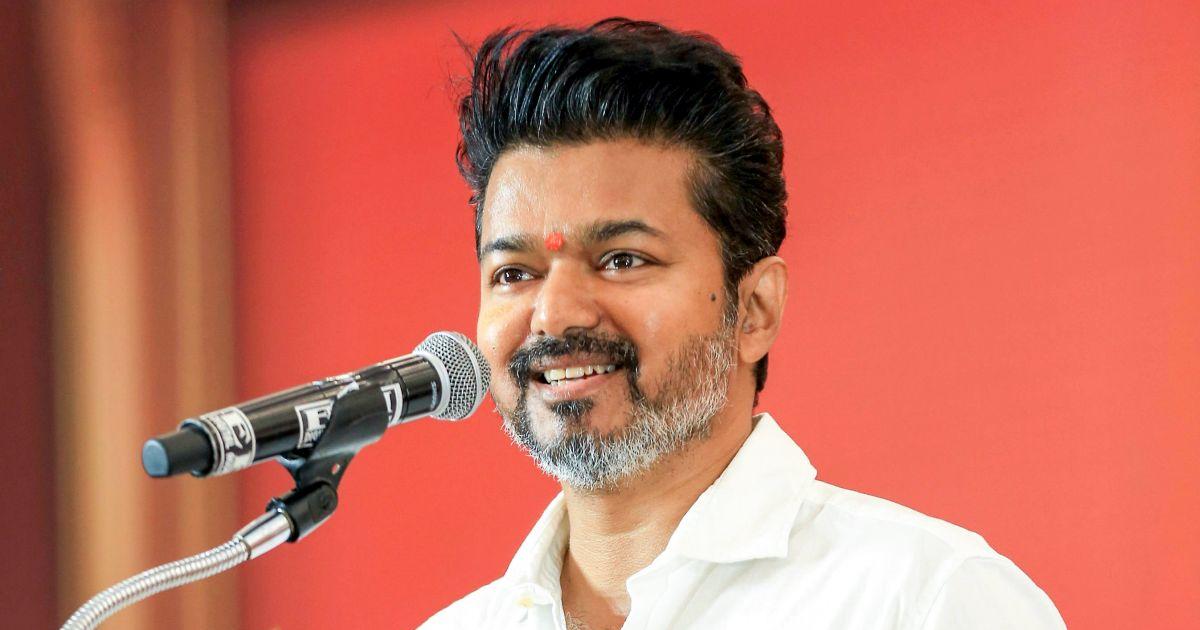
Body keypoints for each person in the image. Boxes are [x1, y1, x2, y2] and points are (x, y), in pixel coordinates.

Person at [422, 18, 1066, 630]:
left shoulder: (924, 598)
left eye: (622, 260)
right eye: (514, 273)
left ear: (754, 309)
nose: (555, 312)